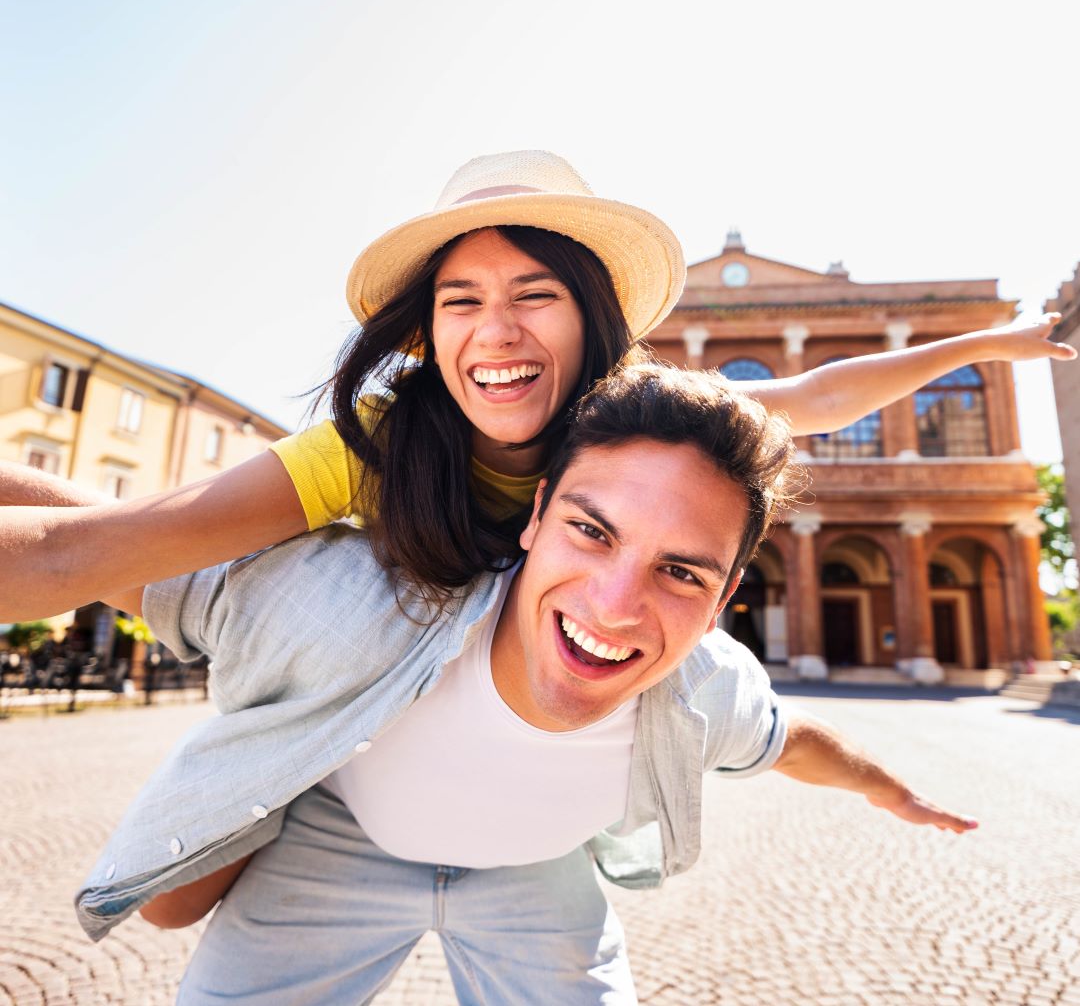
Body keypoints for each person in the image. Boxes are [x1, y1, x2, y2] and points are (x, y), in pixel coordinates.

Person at [76, 365, 976, 1004]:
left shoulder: (704, 689)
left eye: (682, 573)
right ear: (536, 515)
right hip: (336, 842)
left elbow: (794, 740)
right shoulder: (351, 599)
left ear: (724, 600)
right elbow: (104, 545)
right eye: (592, 532)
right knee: (168, 909)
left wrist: (891, 790)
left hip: (534, 879)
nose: (616, 607)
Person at [0, 150, 1074, 622]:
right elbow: (94, 550)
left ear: (596, 314)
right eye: (460, 301)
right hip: (312, 645)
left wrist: (1009, 345)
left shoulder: (633, 424)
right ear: (423, 332)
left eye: (536, 294)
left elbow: (824, 393)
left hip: (495, 703)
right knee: (143, 566)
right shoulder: (377, 437)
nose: (497, 334)